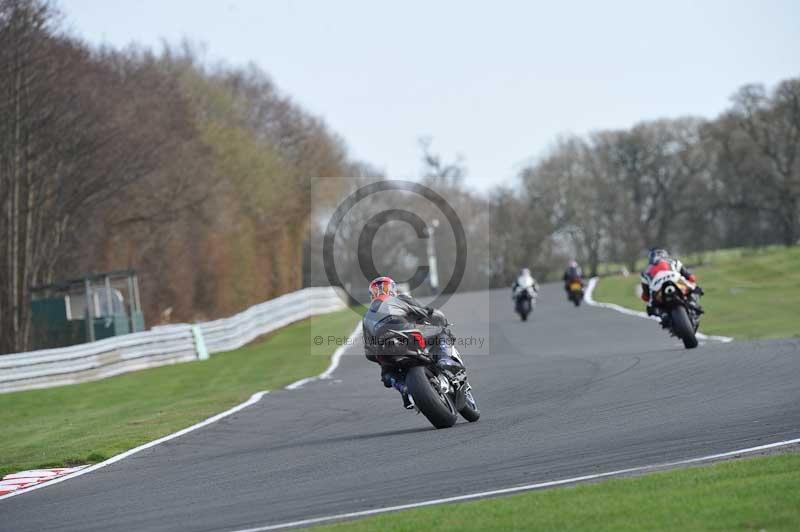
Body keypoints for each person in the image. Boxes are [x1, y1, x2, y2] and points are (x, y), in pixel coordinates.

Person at [362, 276, 457, 409]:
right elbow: (426, 312)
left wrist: (380, 359)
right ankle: (444, 360)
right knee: (441, 332)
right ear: (392, 289)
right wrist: (440, 318)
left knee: (387, 375)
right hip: (406, 332)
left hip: (383, 346)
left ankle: (403, 388)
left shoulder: (366, 316)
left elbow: (368, 351)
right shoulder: (400, 299)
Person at [640, 248, 703, 316]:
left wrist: (647, 298)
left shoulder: (645, 272)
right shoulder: (674, 262)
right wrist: (691, 279)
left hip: (657, 289)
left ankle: (663, 314)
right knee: (696, 289)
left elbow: (645, 295)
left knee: (651, 308)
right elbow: (690, 277)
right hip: (676, 280)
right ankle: (692, 303)